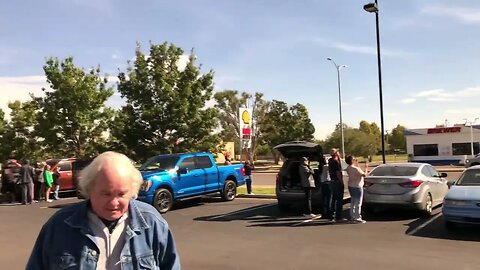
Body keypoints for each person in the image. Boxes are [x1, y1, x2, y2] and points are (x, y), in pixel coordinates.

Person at [27, 151, 180, 270]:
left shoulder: (152, 223)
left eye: (121, 194)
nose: (114, 203)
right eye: (105, 193)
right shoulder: (60, 225)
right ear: (89, 188)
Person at [345, 155, 367, 224]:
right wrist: (366, 168)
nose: (355, 160)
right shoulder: (355, 169)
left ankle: (352, 216)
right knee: (358, 203)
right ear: (352, 161)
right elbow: (364, 175)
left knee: (353, 202)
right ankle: (357, 217)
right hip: (357, 186)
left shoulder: (348, 168)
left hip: (351, 186)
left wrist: (357, 164)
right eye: (354, 159)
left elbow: (357, 170)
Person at [328, 148, 345, 222]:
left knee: (333, 199)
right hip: (337, 181)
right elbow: (338, 173)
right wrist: (341, 181)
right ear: (336, 154)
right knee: (339, 200)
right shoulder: (336, 162)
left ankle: (331, 215)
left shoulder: (330, 160)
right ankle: (338, 216)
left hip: (332, 181)